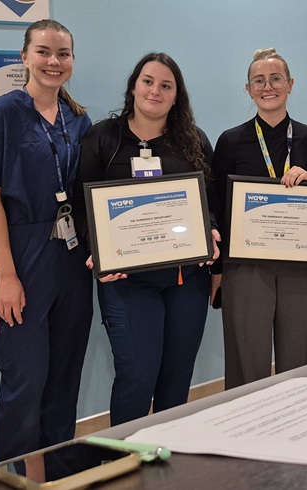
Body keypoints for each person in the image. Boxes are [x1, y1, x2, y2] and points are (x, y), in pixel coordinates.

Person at [73, 53, 220, 425]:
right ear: (134, 86)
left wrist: (211, 231)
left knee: (177, 378)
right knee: (136, 377)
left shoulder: (194, 141)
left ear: (176, 96)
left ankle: (167, 455)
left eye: (166, 86)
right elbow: (82, 207)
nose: (156, 91)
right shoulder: (103, 138)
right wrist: (97, 252)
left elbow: (210, 203)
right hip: (127, 282)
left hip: (187, 281)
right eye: (148, 81)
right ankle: (125, 457)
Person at [0, 19, 92, 463]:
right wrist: (6, 276)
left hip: (71, 259)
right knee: (24, 382)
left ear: (72, 60)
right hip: (21, 256)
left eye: (63, 53)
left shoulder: (79, 120)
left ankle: (59, 473)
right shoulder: (0, 114)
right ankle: (10, 477)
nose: (53, 61)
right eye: (43, 51)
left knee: (64, 378)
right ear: (24, 57)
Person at [212, 48, 307, 389]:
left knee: (300, 362)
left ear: (290, 84)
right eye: (259, 81)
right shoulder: (230, 141)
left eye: (276, 79)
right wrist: (217, 272)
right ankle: (246, 419)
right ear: (248, 89)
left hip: (300, 264)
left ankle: (298, 418)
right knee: (246, 363)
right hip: (247, 267)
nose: (268, 87)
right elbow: (217, 206)